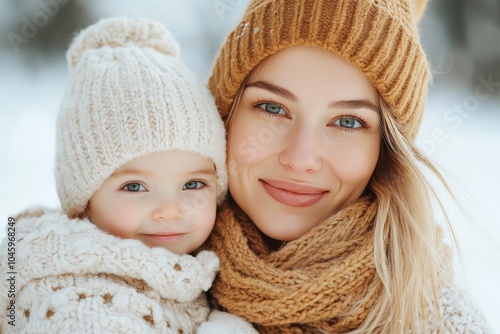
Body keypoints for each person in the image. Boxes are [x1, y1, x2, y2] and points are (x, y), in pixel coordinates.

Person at [205, 0, 492, 332]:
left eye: (348, 122)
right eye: (271, 107)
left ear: (386, 149)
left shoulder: (436, 322)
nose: (300, 159)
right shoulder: (151, 274)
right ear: (226, 113)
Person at [0, 17, 255, 333]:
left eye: (193, 184)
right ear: (83, 201)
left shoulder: (194, 273)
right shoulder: (81, 306)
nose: (171, 210)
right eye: (135, 186)